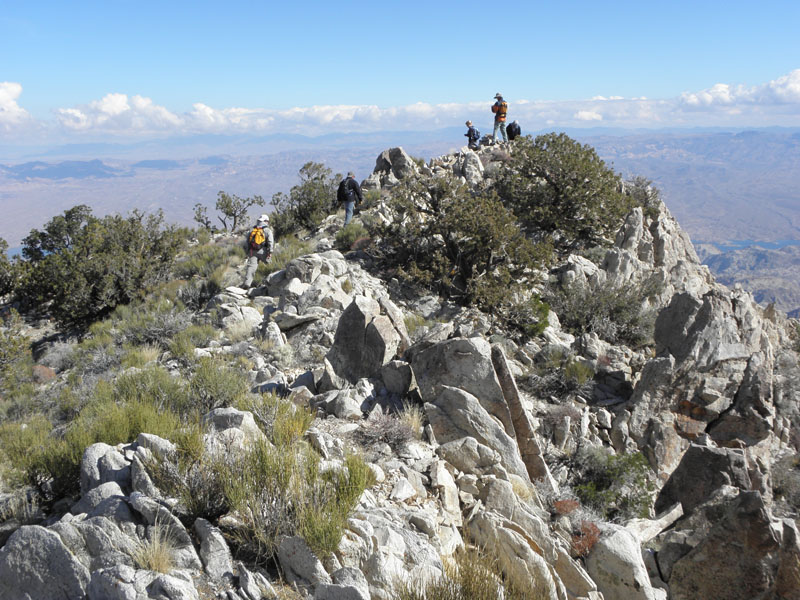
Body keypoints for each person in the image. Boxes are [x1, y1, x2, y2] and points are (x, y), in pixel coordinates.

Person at [242, 213, 274, 288]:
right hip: (263, 251)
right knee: (270, 266)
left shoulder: (252, 230)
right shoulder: (267, 230)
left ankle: (247, 284)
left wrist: (247, 252)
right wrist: (270, 252)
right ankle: (272, 282)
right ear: (265, 221)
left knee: (251, 268)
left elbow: (247, 242)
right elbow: (270, 242)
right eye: (267, 221)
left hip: (252, 251)